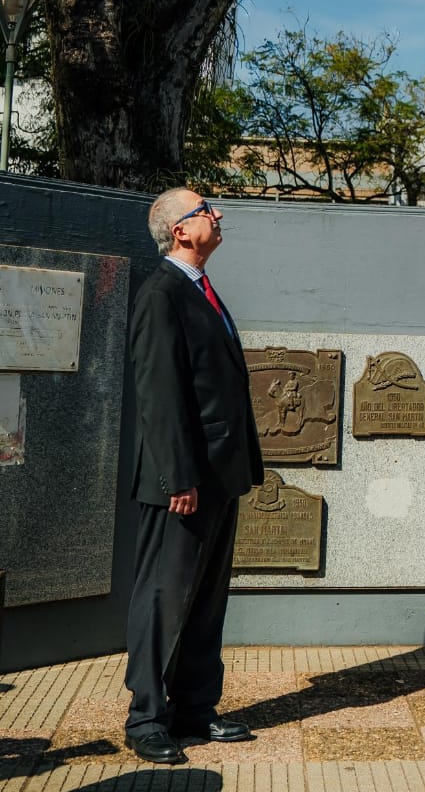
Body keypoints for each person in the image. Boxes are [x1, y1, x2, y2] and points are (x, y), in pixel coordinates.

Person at [124, 189, 264, 764]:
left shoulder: (200, 288)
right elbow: (159, 392)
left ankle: (195, 709)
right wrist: (177, 476)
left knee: (205, 600)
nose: (217, 214)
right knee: (164, 597)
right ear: (179, 230)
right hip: (181, 481)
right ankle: (147, 718)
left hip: (218, 475)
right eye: (205, 209)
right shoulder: (161, 293)